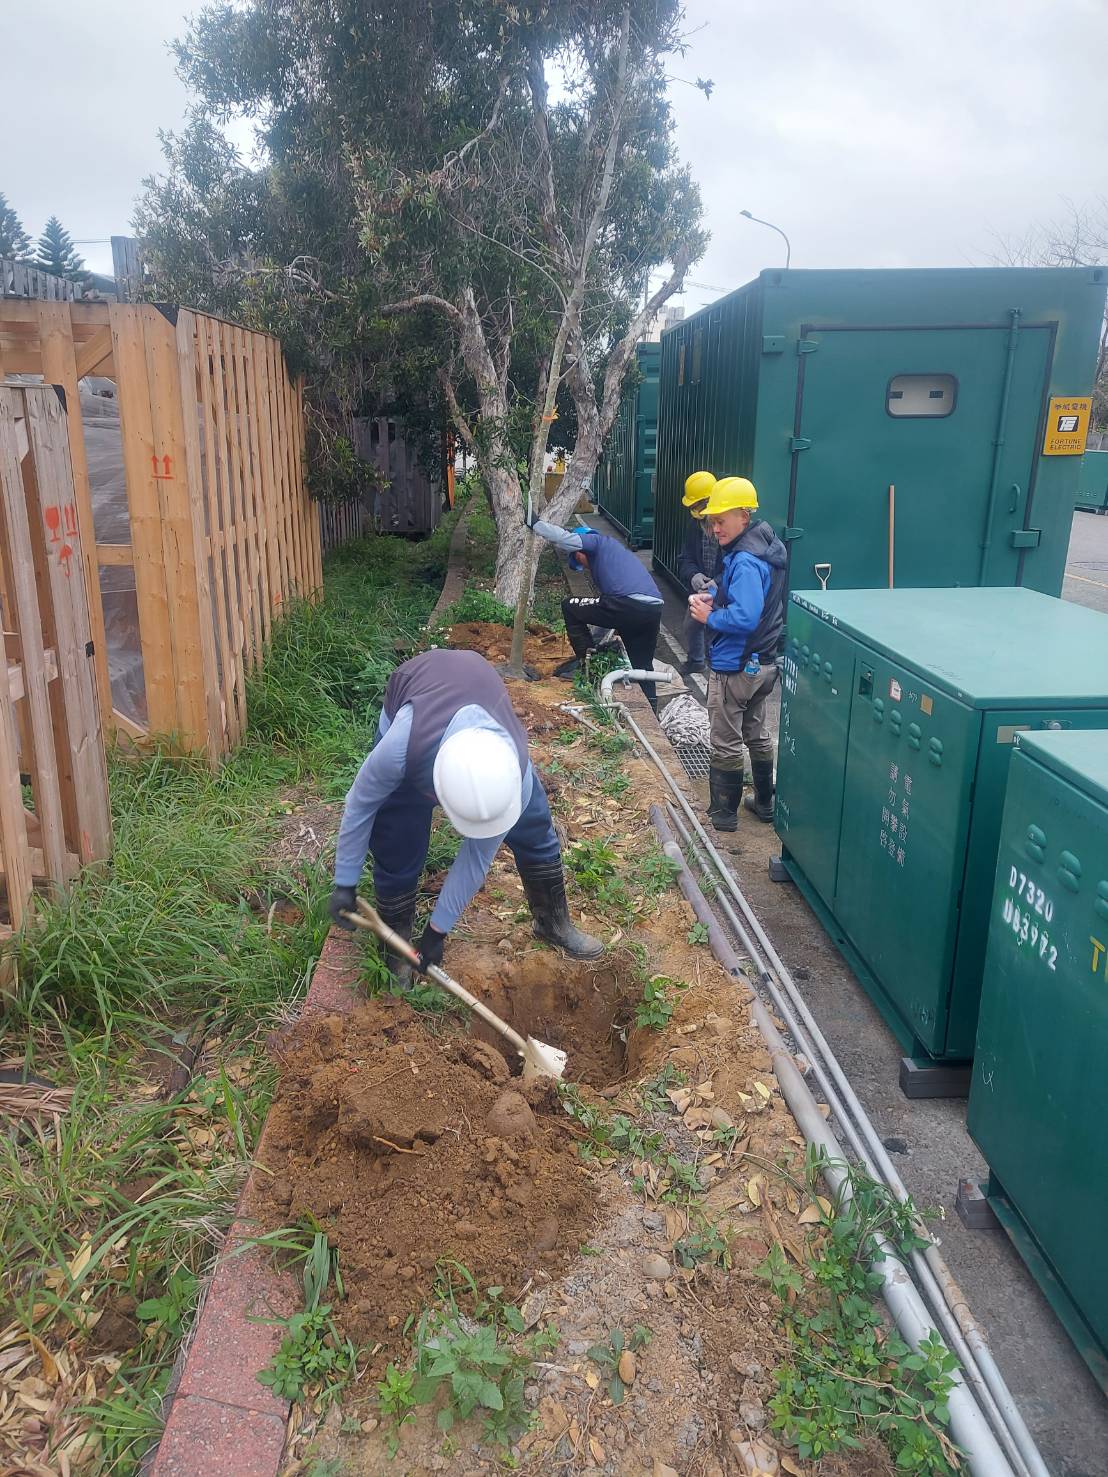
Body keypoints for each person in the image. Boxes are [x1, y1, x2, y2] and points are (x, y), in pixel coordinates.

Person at [328, 648, 602, 980]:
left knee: (534, 829)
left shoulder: (512, 775)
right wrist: (345, 882)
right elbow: (361, 802)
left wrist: (437, 931)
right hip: (418, 695)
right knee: (397, 840)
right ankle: (396, 952)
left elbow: (475, 859)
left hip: (475, 690)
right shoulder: (403, 746)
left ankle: (553, 923)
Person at [688, 477, 787, 831]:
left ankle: (723, 814)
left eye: (721, 520)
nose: (715, 529)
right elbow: (754, 602)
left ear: (744, 516)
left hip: (735, 666)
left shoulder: (745, 560)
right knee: (757, 733)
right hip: (763, 663)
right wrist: (716, 595)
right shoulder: (765, 547)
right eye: (712, 521)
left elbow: (745, 616)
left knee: (725, 740)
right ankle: (765, 802)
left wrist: (709, 616)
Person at [530, 517, 664, 709]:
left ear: (579, 552)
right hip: (652, 609)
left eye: (579, 560)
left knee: (570, 606)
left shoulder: (598, 542)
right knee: (641, 665)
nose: (584, 566)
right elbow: (606, 614)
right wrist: (596, 642)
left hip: (627, 603)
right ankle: (651, 710)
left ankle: (588, 667)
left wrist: (535, 523)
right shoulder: (616, 561)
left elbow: (563, 538)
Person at [676, 470, 722, 677]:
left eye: (697, 505)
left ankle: (718, 667)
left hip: (724, 590)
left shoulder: (728, 526)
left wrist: (718, 581)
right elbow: (685, 558)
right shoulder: (694, 525)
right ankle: (696, 661)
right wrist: (694, 575)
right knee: (691, 625)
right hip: (702, 589)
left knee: (721, 630)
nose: (695, 510)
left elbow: (736, 564)